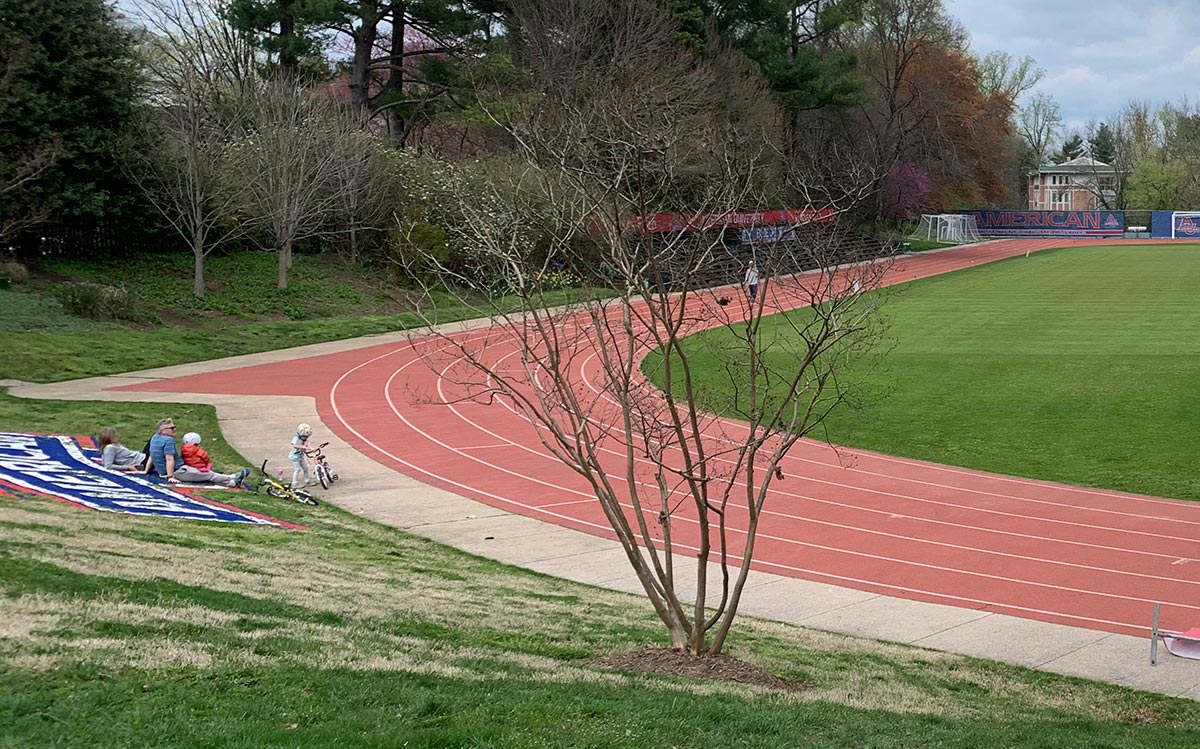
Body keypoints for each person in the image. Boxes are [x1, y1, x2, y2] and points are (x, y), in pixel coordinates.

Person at [149, 417, 250, 488]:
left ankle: (232, 478)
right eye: (172, 428)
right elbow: (169, 459)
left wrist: (146, 470)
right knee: (207, 474)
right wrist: (170, 476)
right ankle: (233, 481)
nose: (174, 430)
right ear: (163, 430)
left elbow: (152, 455)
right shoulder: (168, 440)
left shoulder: (154, 438)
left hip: (168, 471)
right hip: (178, 471)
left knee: (203, 473)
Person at [289, 422, 316, 488]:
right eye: (303, 436)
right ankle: (294, 483)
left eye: (306, 436)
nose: (304, 438)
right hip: (294, 457)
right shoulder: (296, 439)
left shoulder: (306, 441)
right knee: (297, 469)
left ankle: (307, 481)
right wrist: (305, 447)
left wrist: (311, 450)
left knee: (305, 468)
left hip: (300, 457)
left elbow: (305, 450)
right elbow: (294, 445)